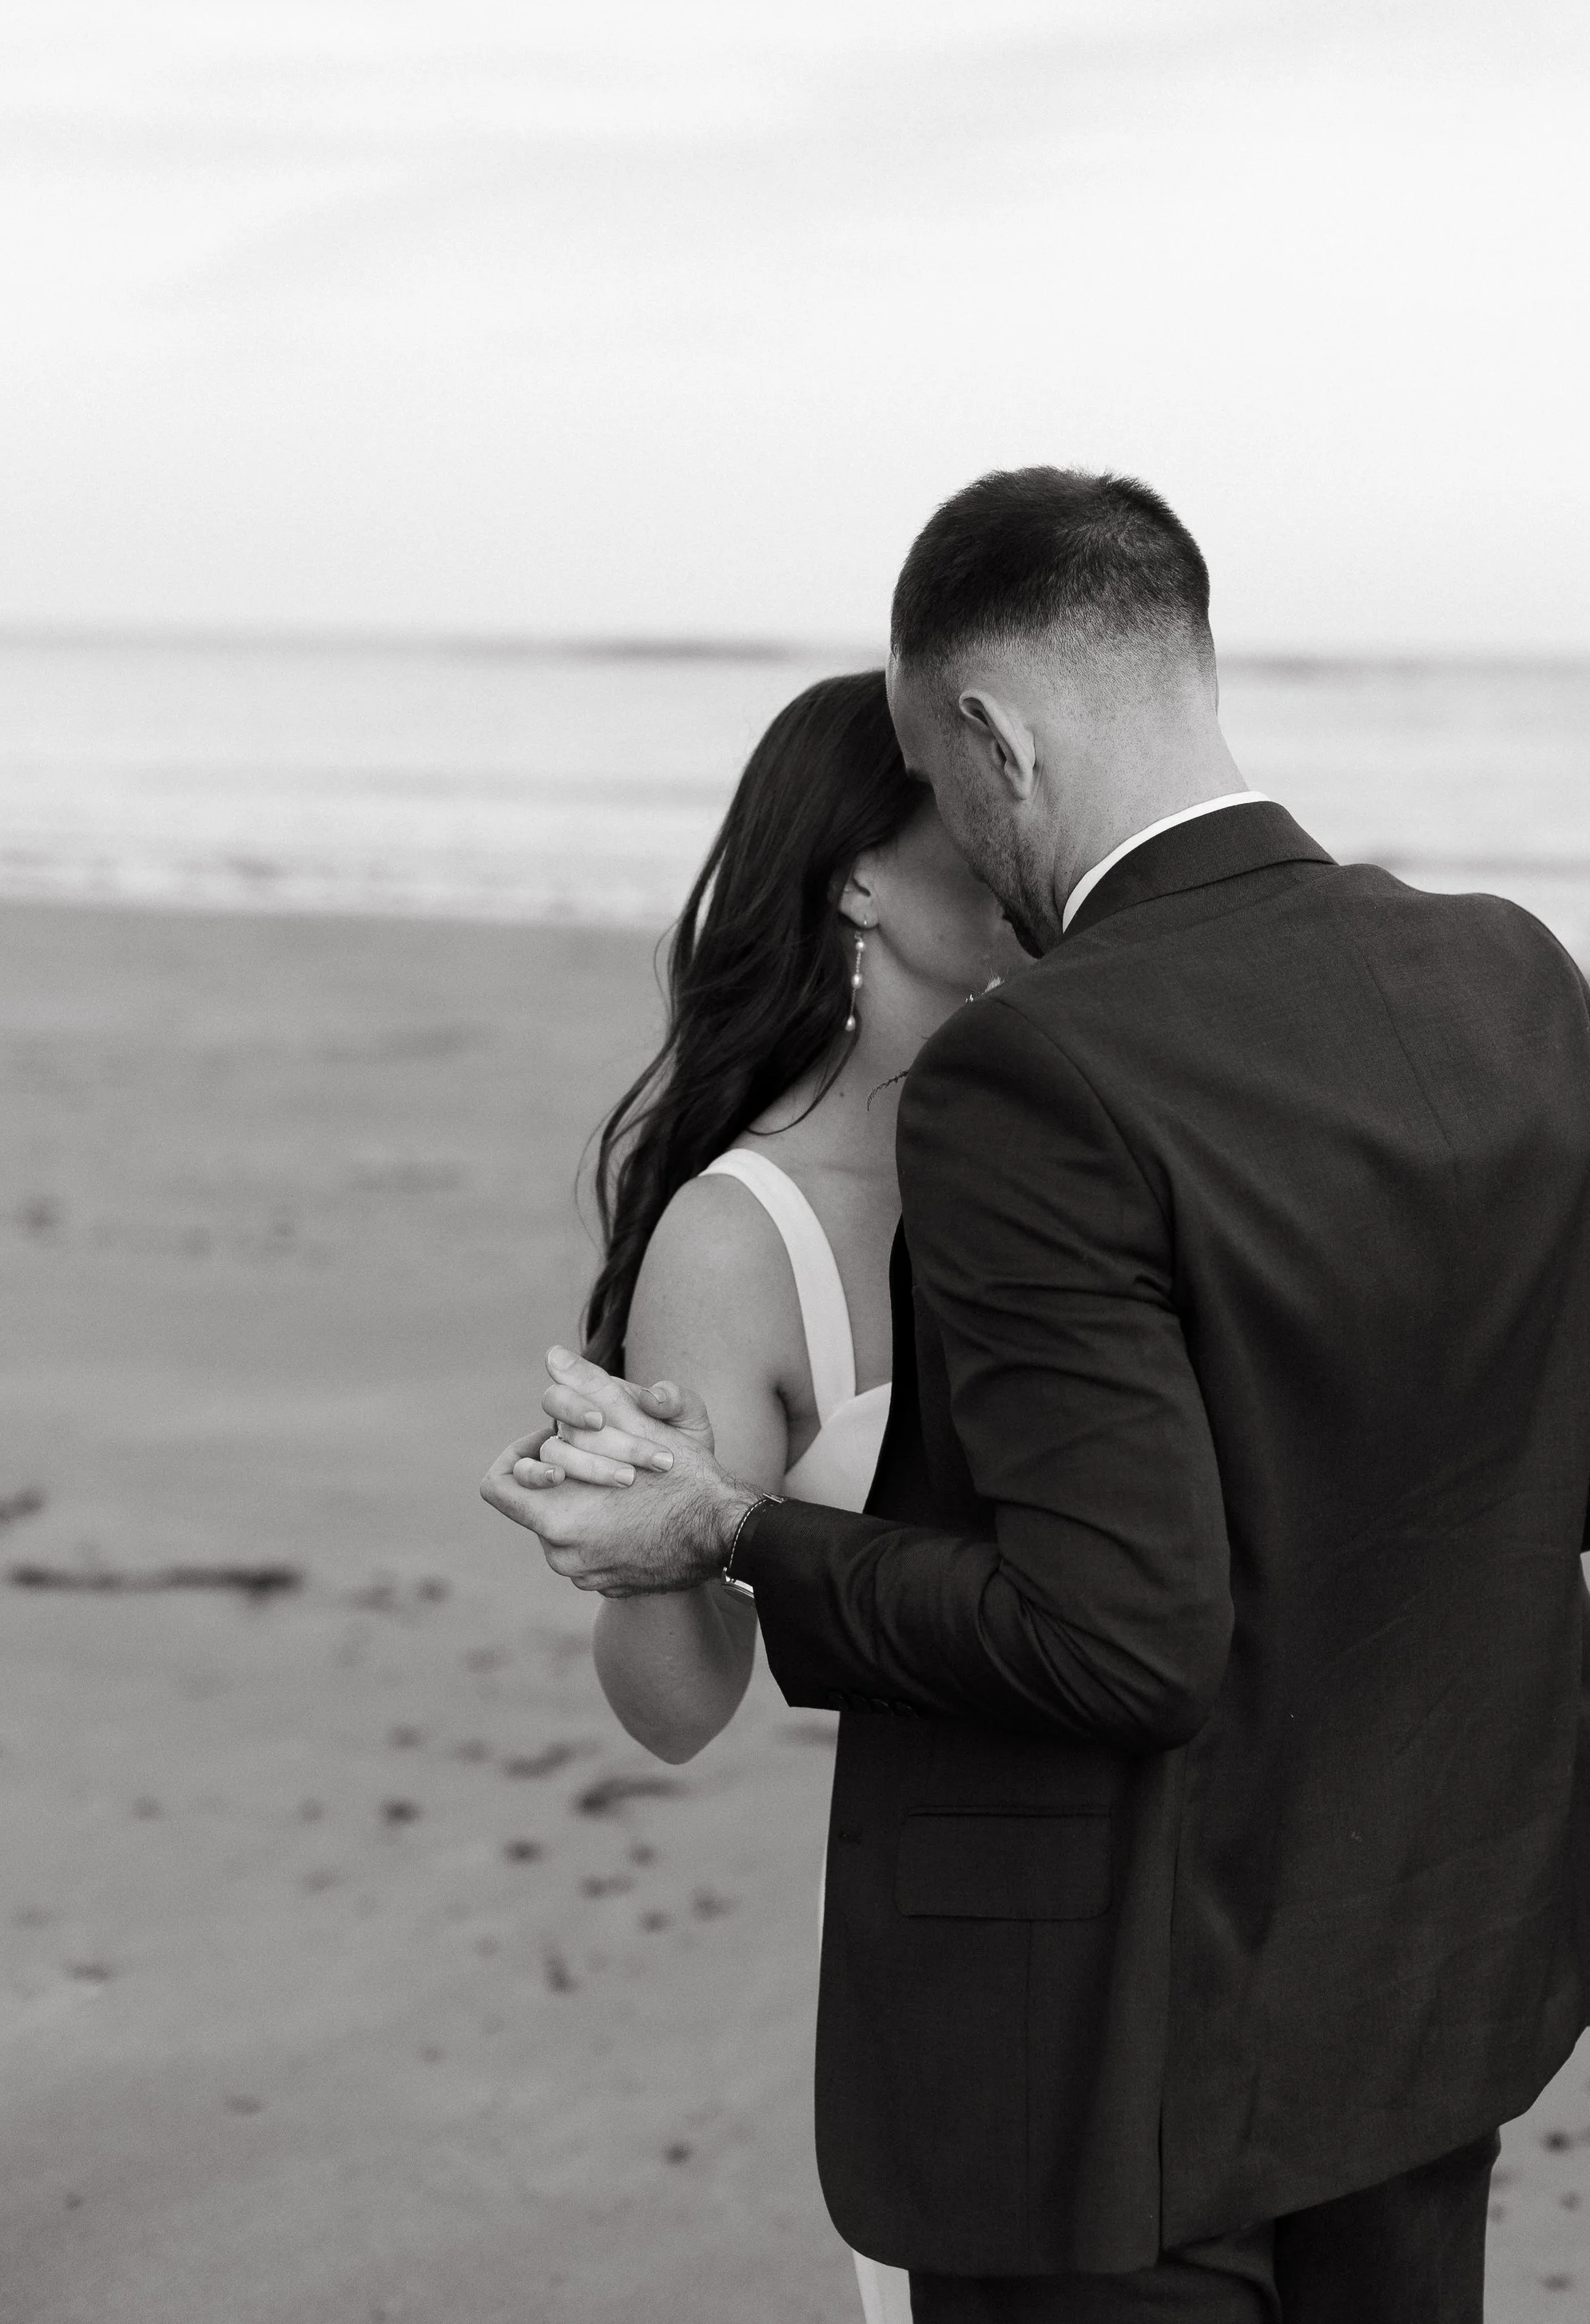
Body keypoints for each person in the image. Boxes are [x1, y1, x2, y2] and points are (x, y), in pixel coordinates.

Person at [485, 468, 1590, 2322]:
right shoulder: (1506, 972)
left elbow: (1133, 1633)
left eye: (951, 788)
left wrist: (729, 1527)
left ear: (988, 737)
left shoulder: (1044, 1077)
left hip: (1111, 2056)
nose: (983, 864)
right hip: (1422, 1976)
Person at [515, 666, 1015, 2324]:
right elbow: (677, 1710)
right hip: (970, 1923)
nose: (1022, 833)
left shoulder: (1130, 1129)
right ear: (858, 875)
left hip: (1244, 1873)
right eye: (970, 794)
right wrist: (640, 1529)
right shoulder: (746, 1240)